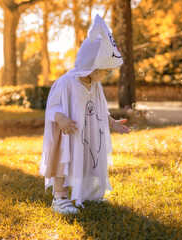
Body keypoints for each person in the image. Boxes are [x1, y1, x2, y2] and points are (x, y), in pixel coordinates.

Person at [39, 14, 130, 215]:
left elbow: (100, 108)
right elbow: (52, 106)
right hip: (67, 132)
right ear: (91, 65)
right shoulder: (66, 82)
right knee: (63, 163)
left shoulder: (95, 85)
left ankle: (89, 193)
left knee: (87, 161)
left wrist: (112, 123)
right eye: (104, 69)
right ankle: (60, 198)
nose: (106, 73)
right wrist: (61, 119)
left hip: (86, 134)